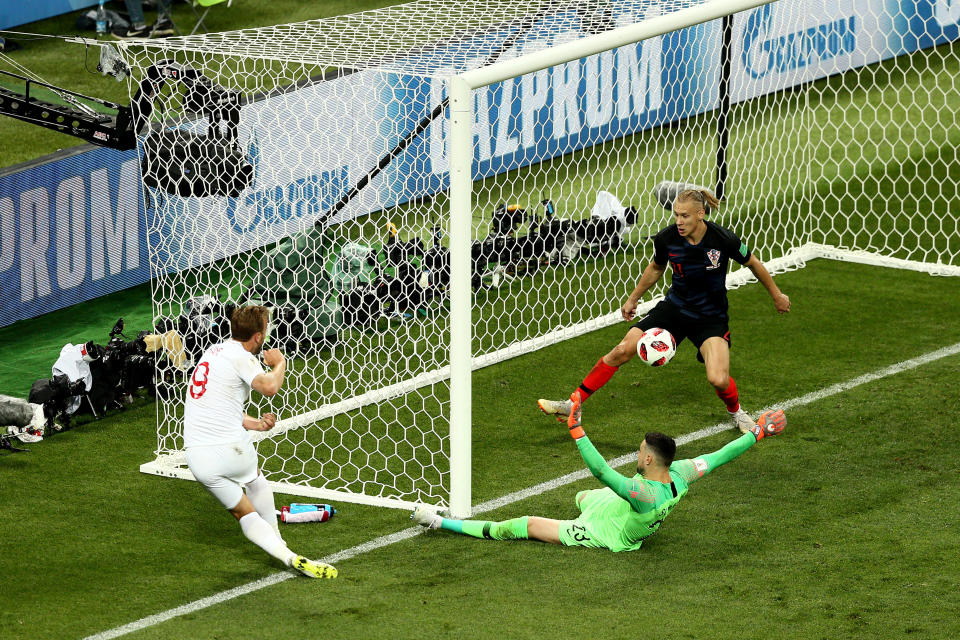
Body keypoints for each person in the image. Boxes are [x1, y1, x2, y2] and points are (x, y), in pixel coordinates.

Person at [538, 188, 791, 433]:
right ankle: (573, 403)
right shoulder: (667, 238)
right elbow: (656, 268)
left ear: (701, 214)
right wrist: (633, 299)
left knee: (718, 379)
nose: (679, 221)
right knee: (622, 349)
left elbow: (753, 263)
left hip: (709, 318)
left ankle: (736, 411)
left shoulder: (723, 239)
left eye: (685, 216)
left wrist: (777, 295)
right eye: (676, 215)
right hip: (674, 309)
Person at [412, 392, 786, 551]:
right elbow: (721, 454)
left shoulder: (643, 495)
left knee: (526, 524)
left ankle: (440, 523)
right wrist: (757, 431)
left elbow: (603, 472)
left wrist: (577, 428)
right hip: (619, 510)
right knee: (583, 497)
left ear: (650, 460)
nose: (637, 454)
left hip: (610, 533)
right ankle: (589, 508)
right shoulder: (681, 473)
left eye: (640, 452)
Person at [183, 305, 337, 578]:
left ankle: (288, 557)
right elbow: (269, 387)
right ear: (257, 337)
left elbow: (218, 407)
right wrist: (280, 363)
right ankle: (280, 540)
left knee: (243, 513)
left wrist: (256, 424)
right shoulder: (242, 357)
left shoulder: (212, 353)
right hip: (231, 448)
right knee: (255, 481)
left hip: (198, 458)